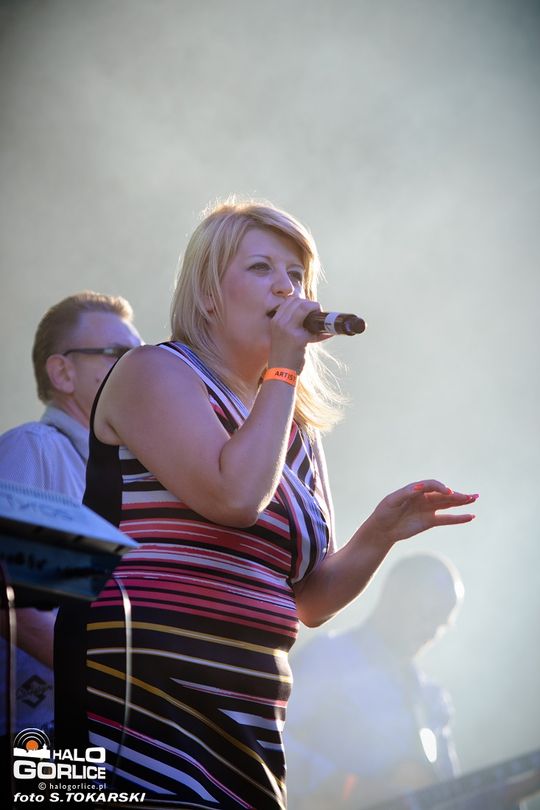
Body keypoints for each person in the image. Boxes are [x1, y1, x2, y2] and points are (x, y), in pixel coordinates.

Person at [55, 199, 477, 809]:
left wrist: (380, 532)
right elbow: (233, 497)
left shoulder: (292, 428)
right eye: (261, 268)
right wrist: (284, 371)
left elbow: (309, 600)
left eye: (297, 274)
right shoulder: (153, 370)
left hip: (246, 726)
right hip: (136, 713)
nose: (286, 287)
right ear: (207, 296)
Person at [0, 290, 141, 738]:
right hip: (35, 737)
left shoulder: (127, 471)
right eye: (117, 354)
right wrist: (113, 686)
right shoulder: (34, 448)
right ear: (62, 372)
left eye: (141, 356)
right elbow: (9, 601)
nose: (138, 368)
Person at [284, 552, 465, 810]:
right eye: (428, 614)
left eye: (442, 624)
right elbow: (274, 737)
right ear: (394, 594)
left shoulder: (432, 698)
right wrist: (345, 787)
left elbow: (454, 794)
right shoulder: (327, 656)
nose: (432, 631)